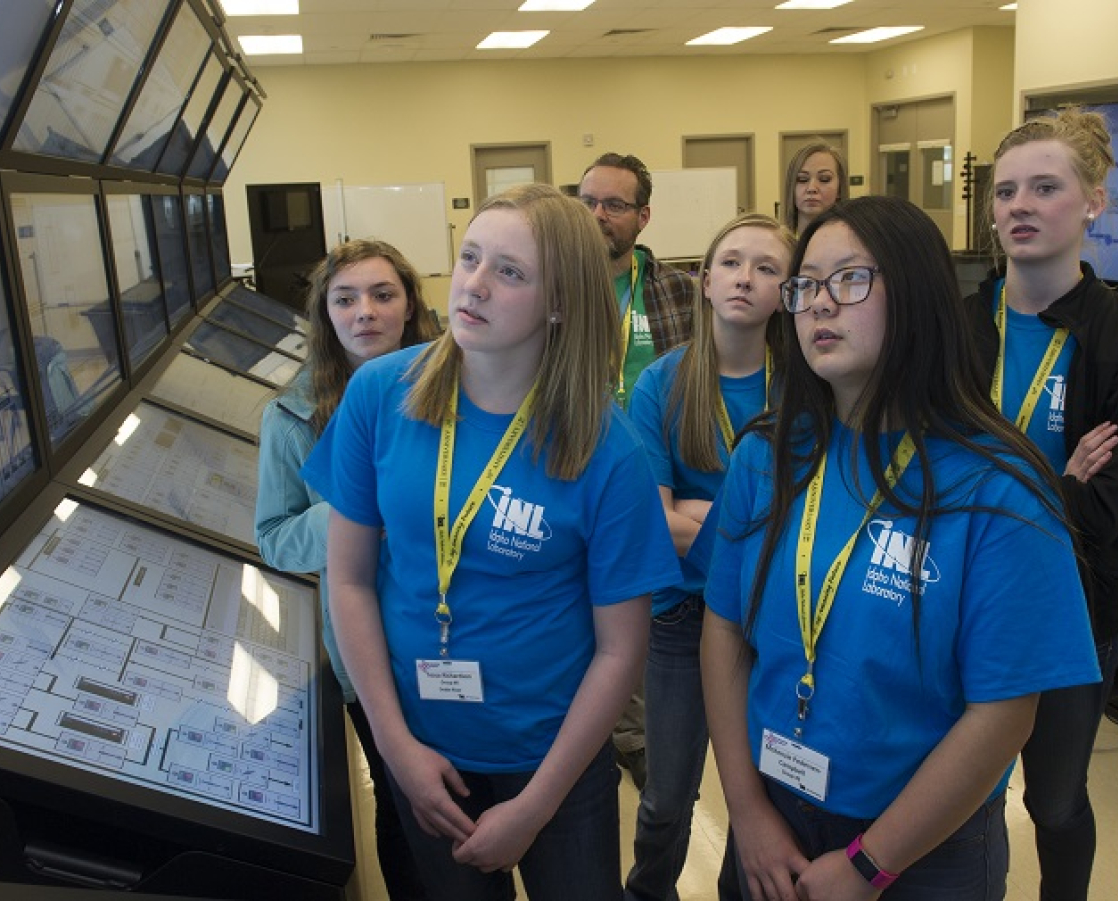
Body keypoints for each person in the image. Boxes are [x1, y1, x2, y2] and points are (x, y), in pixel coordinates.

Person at [700, 195, 1100, 901]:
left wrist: (870, 863)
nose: (819, 304)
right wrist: (748, 809)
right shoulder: (767, 454)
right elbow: (725, 627)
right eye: (804, 286)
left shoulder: (1000, 487)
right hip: (773, 818)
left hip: (923, 843)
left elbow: (1004, 710)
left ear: (915, 294)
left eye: (849, 279)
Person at [304, 183, 680, 900]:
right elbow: (347, 578)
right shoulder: (383, 395)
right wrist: (394, 746)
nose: (473, 285)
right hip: (425, 752)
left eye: (509, 272)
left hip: (555, 766)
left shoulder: (609, 449)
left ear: (560, 301)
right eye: (470, 256)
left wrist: (535, 806)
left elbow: (620, 648)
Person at [968, 108, 1118, 901]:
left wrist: (989, 487)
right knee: (955, 795)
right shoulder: (956, 324)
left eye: (1045, 188)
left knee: (1050, 803)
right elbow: (914, 481)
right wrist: (1057, 481)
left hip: (1071, 608)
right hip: (956, 598)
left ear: (1093, 201)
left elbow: (1101, 514)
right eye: (1007, 189)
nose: (1019, 204)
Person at [255, 239, 438, 901]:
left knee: (471, 790)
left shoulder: (462, 383)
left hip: (460, 632)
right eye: (345, 298)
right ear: (324, 313)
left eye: (383, 294)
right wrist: (360, 510)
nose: (365, 312)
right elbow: (275, 538)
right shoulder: (292, 413)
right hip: (368, 652)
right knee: (404, 800)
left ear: (410, 304)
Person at [624, 214, 794, 901]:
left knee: (769, 791)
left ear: (789, 289)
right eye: (729, 262)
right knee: (667, 796)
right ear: (704, 278)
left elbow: (813, 524)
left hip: (777, 618)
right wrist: (753, 524)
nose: (744, 277)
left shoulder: (805, 383)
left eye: (765, 266)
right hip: (681, 619)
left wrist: (702, 515)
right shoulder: (663, 384)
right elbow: (656, 525)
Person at [577, 151, 696, 788]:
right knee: (600, 614)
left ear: (642, 217)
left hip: (659, 479)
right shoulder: (555, 288)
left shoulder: (679, 290)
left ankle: (654, 741)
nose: (597, 215)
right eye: (587, 200)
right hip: (585, 475)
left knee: (654, 614)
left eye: (614, 204)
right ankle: (625, 741)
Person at [781, 143, 848, 236]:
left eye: (824, 179)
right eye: (802, 179)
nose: (811, 188)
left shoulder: (853, 244)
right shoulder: (779, 245)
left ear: (840, 188)